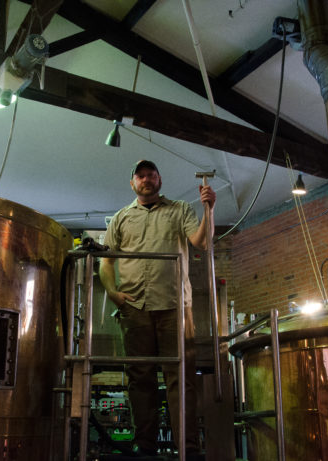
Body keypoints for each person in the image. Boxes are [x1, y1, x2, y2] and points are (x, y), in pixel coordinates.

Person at [99, 160, 215, 458]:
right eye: (140, 176)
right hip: (135, 306)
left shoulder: (180, 209)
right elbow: (106, 261)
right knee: (140, 378)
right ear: (132, 183)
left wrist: (209, 210)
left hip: (175, 306)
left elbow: (201, 242)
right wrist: (113, 293)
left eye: (151, 175)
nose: (146, 179)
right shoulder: (121, 218)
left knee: (181, 378)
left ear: (160, 179)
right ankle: (145, 446)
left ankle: (188, 448)